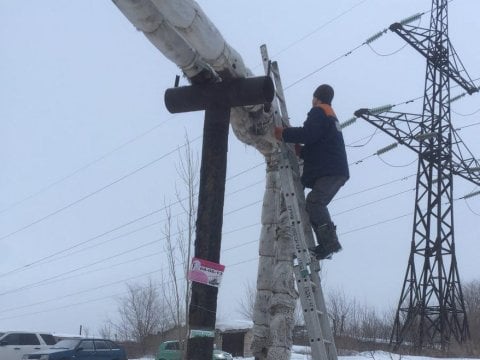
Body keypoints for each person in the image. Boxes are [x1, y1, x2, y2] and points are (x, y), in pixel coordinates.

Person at [274, 84, 349, 259]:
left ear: (316, 97)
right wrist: (302, 152)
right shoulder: (330, 115)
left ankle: (329, 244)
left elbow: (309, 134)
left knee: (315, 202)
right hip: (335, 169)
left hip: (331, 170)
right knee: (313, 203)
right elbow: (321, 143)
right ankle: (325, 245)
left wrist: (283, 133)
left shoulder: (319, 111)